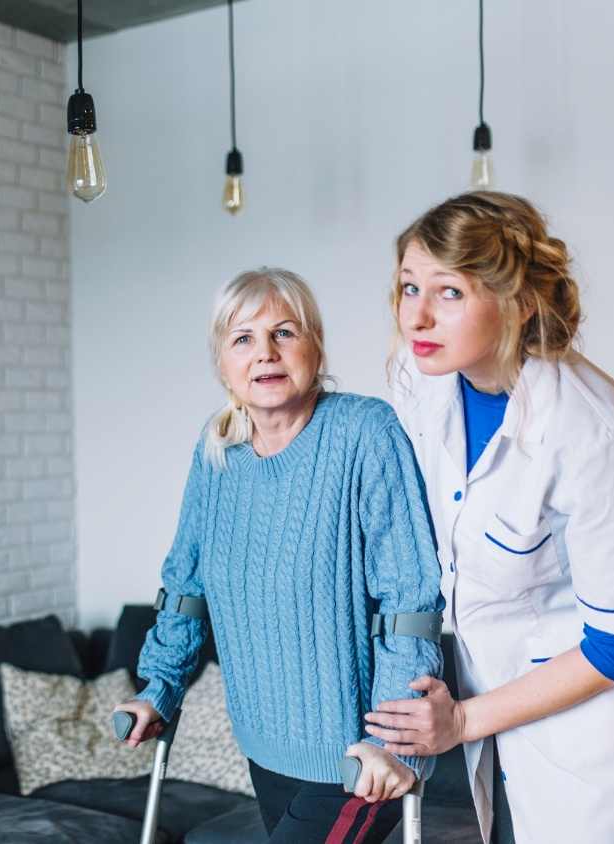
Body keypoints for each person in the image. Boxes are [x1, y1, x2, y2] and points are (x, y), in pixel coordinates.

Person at [365, 192, 614, 843]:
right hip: (497, 719)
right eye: (409, 287)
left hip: (600, 748)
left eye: (450, 292)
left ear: (519, 301)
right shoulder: (421, 384)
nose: (418, 315)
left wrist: (463, 722)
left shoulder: (601, 431)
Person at [113, 268, 445, 844]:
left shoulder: (365, 432)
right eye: (243, 338)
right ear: (222, 362)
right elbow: (186, 586)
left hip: (359, 759)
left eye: (284, 333)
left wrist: (392, 743)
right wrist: (159, 686)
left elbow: (408, 600)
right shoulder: (216, 453)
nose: (265, 352)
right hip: (264, 746)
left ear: (315, 347)